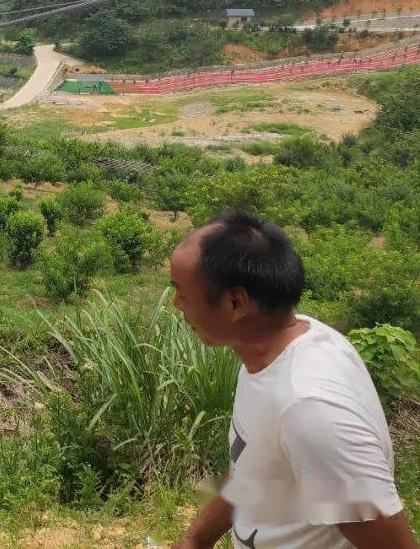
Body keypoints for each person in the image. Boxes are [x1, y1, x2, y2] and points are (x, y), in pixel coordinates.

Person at [170, 210, 416, 549]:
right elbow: (256, 474)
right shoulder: (273, 352)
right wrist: (196, 539)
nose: (176, 303)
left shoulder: (309, 408)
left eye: (182, 292)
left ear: (235, 302)